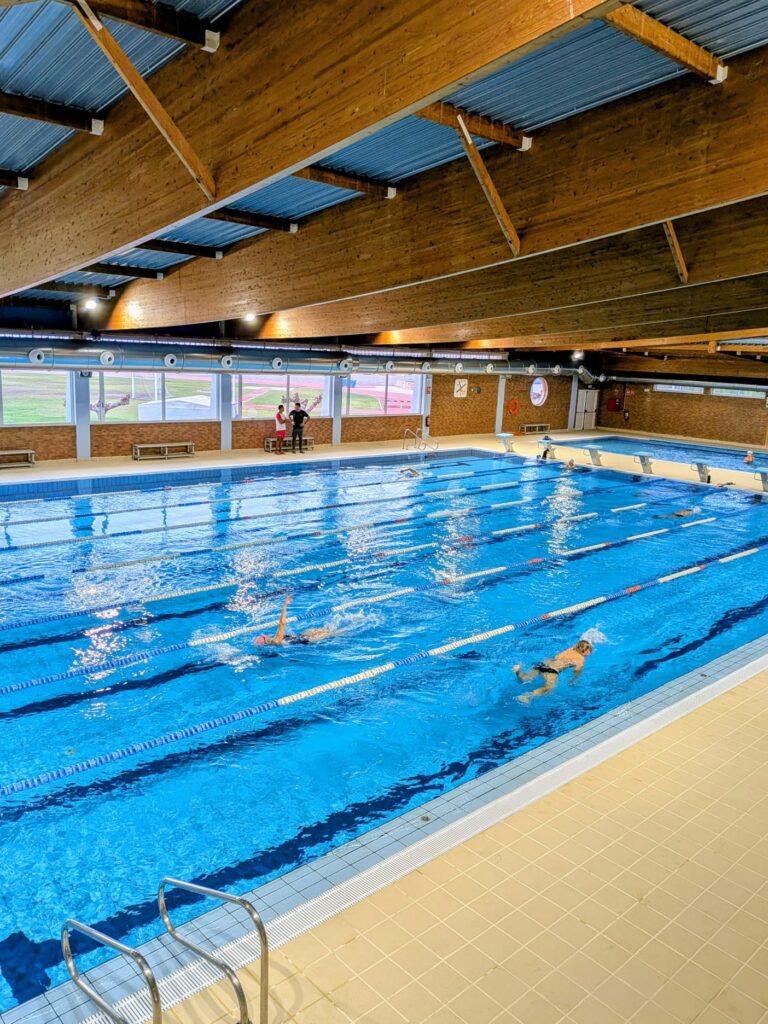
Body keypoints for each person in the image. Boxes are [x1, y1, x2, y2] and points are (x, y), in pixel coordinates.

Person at [513, 639, 593, 703]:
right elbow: (577, 671)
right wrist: (574, 680)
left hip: (544, 663)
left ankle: (518, 670)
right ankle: (527, 696)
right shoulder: (580, 659)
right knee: (548, 689)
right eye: (589, 651)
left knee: (524, 679)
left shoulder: (572, 648)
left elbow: (580, 644)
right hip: (552, 670)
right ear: (584, 651)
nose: (590, 652)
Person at [254, 595, 335, 646]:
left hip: (302, 636)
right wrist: (285, 606)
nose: (264, 634)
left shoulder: (274, 640)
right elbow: (282, 623)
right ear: (266, 639)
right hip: (307, 640)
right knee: (333, 633)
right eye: (262, 636)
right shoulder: (276, 641)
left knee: (322, 629)